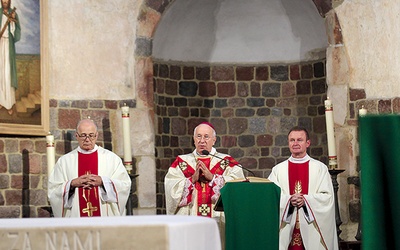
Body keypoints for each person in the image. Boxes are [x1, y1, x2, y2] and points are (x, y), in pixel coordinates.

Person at [268, 126, 338, 250]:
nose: (295, 143)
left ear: (308, 143)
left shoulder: (320, 168)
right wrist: (289, 200)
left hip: (311, 228)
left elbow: (327, 198)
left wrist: (306, 200)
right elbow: (269, 197)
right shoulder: (278, 170)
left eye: (299, 140)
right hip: (287, 227)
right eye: (292, 140)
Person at [48, 118, 131, 217]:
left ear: (96, 136)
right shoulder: (65, 161)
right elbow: (53, 192)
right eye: (83, 135)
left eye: (91, 135)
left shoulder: (112, 159)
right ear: (76, 136)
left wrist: (103, 182)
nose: (87, 139)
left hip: (104, 219)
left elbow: (125, 185)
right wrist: (72, 184)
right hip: (76, 219)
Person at [164, 122, 245, 219]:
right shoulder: (182, 161)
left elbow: (238, 186)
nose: (202, 141)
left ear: (214, 140)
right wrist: (192, 179)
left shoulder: (227, 161)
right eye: (198, 136)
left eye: (206, 137)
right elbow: (171, 187)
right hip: (190, 220)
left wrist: (213, 178)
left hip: (217, 220)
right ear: (194, 139)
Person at [0, 0, 20, 115]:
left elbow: (15, 30)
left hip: (8, 46)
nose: (5, 2)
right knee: (0, 73)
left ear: (9, 2)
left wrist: (12, 21)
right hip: (0, 44)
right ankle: (1, 101)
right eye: (3, 1)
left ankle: (9, 103)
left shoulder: (13, 13)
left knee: (7, 73)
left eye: (7, 1)